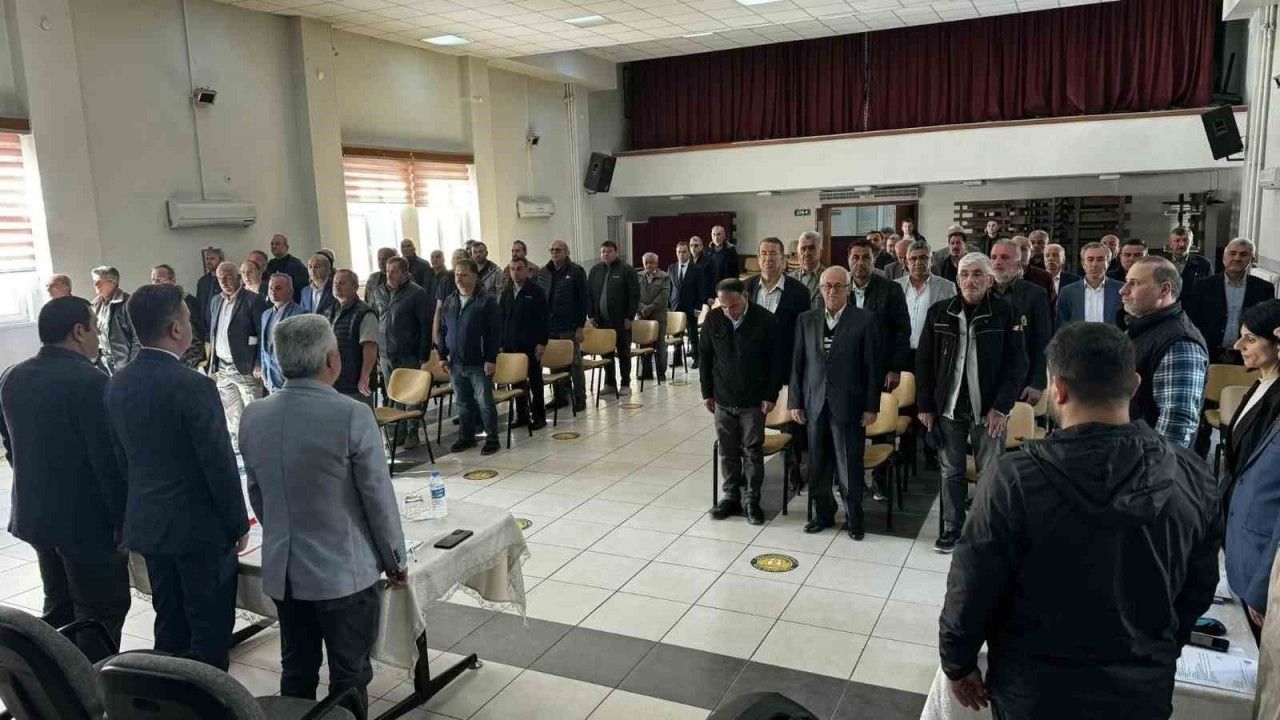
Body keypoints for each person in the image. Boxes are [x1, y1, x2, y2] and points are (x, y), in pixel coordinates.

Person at [940, 321, 1220, 720]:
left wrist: (958, 662)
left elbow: (972, 585)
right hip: (1139, 691)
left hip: (1036, 691)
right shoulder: (1191, 474)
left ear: (1057, 389)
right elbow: (1198, 589)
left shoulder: (1014, 479)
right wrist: (1157, 650)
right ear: (1135, 384)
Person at [239, 315, 407, 710]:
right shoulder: (351, 414)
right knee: (349, 676)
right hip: (342, 574)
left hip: (285, 573)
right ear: (332, 359)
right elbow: (377, 499)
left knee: (297, 670)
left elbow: (258, 494)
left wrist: (285, 532)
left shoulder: (254, 415)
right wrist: (395, 559)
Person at [106, 284, 250, 669]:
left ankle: (166, 691)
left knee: (169, 621)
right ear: (175, 329)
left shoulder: (117, 382)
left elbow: (120, 460)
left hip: (150, 523)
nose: (190, 326)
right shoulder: (194, 386)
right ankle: (206, 695)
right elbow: (218, 463)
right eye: (187, 319)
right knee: (209, 630)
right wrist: (238, 523)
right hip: (198, 529)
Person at [0, 297, 129, 661]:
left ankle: (53, 680)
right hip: (86, 523)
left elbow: (10, 444)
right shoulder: (91, 381)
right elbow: (107, 462)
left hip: (37, 516)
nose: (98, 336)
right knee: (100, 613)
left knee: (59, 607)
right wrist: (123, 522)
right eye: (94, 328)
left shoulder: (12, 376)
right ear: (78, 331)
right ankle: (88, 686)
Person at [916, 253, 1026, 553]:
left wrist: (1002, 407)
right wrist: (925, 406)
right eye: (964, 274)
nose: (970, 280)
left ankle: (985, 529)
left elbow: (1017, 365)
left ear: (990, 280)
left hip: (989, 409)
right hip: (948, 407)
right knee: (950, 471)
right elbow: (923, 362)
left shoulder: (1006, 312)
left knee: (989, 474)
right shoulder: (939, 312)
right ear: (957, 279)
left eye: (977, 274)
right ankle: (952, 529)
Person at [789, 266, 883, 540]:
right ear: (820, 289)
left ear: (848, 288)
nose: (832, 291)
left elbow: (872, 368)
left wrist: (871, 407)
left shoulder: (865, 320)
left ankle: (854, 518)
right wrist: (795, 401)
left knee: (849, 465)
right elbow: (798, 364)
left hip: (850, 406)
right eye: (827, 286)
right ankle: (823, 514)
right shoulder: (806, 319)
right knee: (817, 465)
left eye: (838, 286)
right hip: (815, 403)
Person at [703, 278, 780, 526]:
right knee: (727, 452)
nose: (729, 311)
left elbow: (775, 363)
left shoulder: (765, 320)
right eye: (723, 306)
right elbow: (705, 357)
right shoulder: (714, 319)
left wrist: (770, 395)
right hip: (723, 398)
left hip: (753, 401)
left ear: (745, 297)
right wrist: (707, 393)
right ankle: (731, 496)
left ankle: (751, 500)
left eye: (734, 305)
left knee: (752, 452)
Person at [1120, 256, 1209, 449]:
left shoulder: (1180, 342)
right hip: (1133, 452)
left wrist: (1154, 465)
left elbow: (1176, 426)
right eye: (1126, 282)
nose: (1123, 290)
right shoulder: (1144, 328)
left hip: (1150, 461)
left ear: (1164, 290)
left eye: (1134, 283)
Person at [1226, 337, 1280, 642]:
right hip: (1245, 554)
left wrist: (1261, 589)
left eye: (1251, 337)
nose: (1238, 345)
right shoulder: (1261, 386)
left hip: (1264, 575)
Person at [439, 259, 502, 455]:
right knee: (463, 402)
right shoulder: (450, 300)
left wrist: (491, 358)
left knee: (484, 402)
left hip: (479, 361)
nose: (459, 278)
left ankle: (492, 439)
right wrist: (442, 354)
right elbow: (443, 329)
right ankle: (466, 437)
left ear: (474, 276)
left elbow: (494, 333)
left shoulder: (486, 301)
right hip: (456, 362)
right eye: (457, 274)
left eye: (464, 274)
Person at [207, 260, 267, 445]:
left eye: (228, 277)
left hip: (245, 366)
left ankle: (258, 447)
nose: (224, 281)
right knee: (232, 416)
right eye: (220, 278)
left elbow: (263, 334)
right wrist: (212, 364)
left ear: (238, 277)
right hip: (222, 368)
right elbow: (213, 332)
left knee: (253, 412)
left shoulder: (253, 300)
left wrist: (259, 362)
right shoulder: (215, 301)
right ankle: (238, 448)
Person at [376, 257, 433, 449]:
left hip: (408, 352)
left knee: (411, 395)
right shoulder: (379, 291)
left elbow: (425, 326)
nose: (389, 275)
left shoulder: (417, 293)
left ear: (404, 273)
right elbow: (375, 319)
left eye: (394, 271)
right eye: (387, 271)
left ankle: (412, 432)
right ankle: (398, 432)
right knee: (393, 395)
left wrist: (423, 355)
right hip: (386, 352)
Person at [1188, 238, 1273, 365]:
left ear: (1252, 259)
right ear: (1224, 257)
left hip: (1248, 357)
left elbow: (1267, 327)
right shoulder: (1203, 286)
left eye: (1243, 254)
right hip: (1208, 355)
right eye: (1232, 253)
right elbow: (1192, 322)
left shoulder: (1264, 289)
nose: (1237, 258)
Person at [989, 241, 1051, 405]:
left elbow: (1043, 341)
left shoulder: (1035, 294)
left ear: (1018, 263)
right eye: (994, 257)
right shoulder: (983, 292)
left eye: (1004, 257)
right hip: (987, 381)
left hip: (1022, 382)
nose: (997, 262)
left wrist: (1037, 382)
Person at [847, 239, 911, 392]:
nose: (860, 263)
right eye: (855, 257)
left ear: (874, 260)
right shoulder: (840, 288)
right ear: (848, 260)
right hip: (847, 367)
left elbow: (902, 332)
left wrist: (895, 368)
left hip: (879, 367)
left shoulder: (891, 290)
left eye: (866, 257)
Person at [743, 237, 809, 369]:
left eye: (773, 253)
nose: (768, 258)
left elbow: (803, 333)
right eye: (764, 253)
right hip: (750, 363)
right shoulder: (745, 287)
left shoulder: (800, 291)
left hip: (784, 363)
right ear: (758, 258)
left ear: (783, 258)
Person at [500, 258, 548, 431]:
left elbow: (544, 319)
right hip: (511, 345)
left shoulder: (535, 291)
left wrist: (542, 343)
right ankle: (522, 415)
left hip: (531, 344)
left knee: (535, 381)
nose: (515, 273)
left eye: (519, 269)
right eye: (512, 269)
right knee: (517, 382)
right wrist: (501, 342)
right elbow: (502, 318)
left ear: (527, 271)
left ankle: (539, 416)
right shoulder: (507, 292)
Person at [587, 241, 641, 397]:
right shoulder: (595, 271)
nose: (606, 254)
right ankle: (610, 383)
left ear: (616, 252)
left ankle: (625, 384)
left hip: (621, 321)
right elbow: (589, 295)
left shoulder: (626, 270)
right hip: (601, 321)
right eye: (603, 251)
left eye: (609, 251)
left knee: (623, 353)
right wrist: (591, 315)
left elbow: (634, 295)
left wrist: (630, 317)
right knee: (606, 353)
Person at [542, 240, 589, 413]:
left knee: (574, 363)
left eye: (558, 250)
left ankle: (580, 397)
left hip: (570, 325)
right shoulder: (545, 271)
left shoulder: (576, 271)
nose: (555, 252)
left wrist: (580, 326)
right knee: (555, 363)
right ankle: (560, 396)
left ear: (566, 252)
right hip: (551, 325)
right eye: (552, 250)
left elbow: (583, 299)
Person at [328, 270, 379, 407]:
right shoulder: (332, 309)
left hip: (355, 381)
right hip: (336, 379)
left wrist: (365, 376)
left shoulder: (365, 313)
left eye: (342, 283)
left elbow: (370, 347)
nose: (337, 286)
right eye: (335, 283)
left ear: (355, 287)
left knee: (360, 417)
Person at [152, 264, 207, 369]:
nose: (155, 283)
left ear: (173, 281)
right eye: (153, 280)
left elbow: (196, 340)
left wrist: (185, 367)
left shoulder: (186, 302)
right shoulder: (157, 305)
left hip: (186, 365)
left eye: (159, 280)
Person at [1056, 242, 1123, 327]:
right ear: (1083, 263)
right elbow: (1061, 326)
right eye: (1090, 259)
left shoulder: (1121, 290)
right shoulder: (1067, 292)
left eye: (1100, 259)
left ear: (1108, 263)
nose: (1094, 264)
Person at [259, 274, 304, 395]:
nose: (273, 292)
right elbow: (264, 347)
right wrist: (264, 372)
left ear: (290, 291)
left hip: (292, 380)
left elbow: (303, 351)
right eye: (270, 288)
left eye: (278, 288)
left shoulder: (301, 314)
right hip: (270, 379)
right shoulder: (266, 315)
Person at [89, 266, 139, 375]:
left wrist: (132, 365)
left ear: (113, 282)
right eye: (94, 281)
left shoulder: (128, 303)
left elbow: (137, 338)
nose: (95, 285)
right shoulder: (95, 304)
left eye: (99, 281)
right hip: (102, 363)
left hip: (123, 364)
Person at [670, 240, 708, 369]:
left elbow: (701, 289)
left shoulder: (697, 269)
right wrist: (669, 306)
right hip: (675, 305)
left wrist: (698, 308)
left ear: (688, 253)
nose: (681, 254)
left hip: (691, 306)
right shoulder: (672, 268)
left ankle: (696, 358)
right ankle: (677, 359)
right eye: (679, 252)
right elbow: (670, 288)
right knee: (676, 334)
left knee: (692, 334)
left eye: (684, 252)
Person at [637, 252, 670, 381]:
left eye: (651, 262)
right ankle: (646, 372)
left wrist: (650, 307)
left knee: (659, 344)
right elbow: (634, 295)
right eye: (646, 262)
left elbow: (664, 296)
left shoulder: (664, 277)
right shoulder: (638, 276)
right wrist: (642, 308)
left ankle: (661, 373)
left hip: (658, 316)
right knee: (644, 344)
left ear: (656, 263)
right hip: (642, 316)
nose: (649, 265)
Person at [265, 234, 309, 304]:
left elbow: (302, 288)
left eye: (277, 244)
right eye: (272, 244)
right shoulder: (270, 264)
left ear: (286, 247)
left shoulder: (296, 264)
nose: (274, 246)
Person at [788, 230, 827, 308]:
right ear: (798, 252)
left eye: (811, 248)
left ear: (821, 252)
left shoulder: (830, 277)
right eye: (803, 249)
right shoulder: (789, 279)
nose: (806, 253)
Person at [1166, 226, 1213, 290]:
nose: (1181, 244)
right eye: (1177, 240)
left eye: (1185, 240)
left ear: (1191, 243)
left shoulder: (1204, 263)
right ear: (1170, 244)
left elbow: (1211, 289)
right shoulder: (1160, 263)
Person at [1041, 243, 1077, 310]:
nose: (1050, 258)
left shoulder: (1074, 280)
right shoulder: (1035, 279)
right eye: (1047, 256)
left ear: (1063, 260)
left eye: (1055, 255)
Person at [196, 247, 224, 327]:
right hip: (205, 327)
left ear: (220, 260)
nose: (209, 262)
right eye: (207, 259)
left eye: (212, 259)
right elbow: (199, 304)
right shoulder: (202, 281)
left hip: (222, 323)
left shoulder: (226, 279)